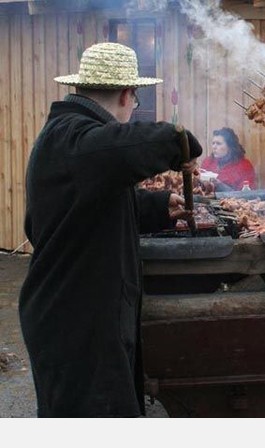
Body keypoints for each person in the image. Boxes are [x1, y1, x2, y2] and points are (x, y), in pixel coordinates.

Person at [18, 42, 203, 417]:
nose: (133, 111)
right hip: (75, 323)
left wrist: (156, 207)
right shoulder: (73, 139)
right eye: (135, 101)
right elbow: (134, 147)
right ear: (127, 94)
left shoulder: (73, 143)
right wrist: (179, 141)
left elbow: (90, 209)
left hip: (77, 314)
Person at [200, 127, 256, 191]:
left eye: (218, 143)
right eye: (213, 143)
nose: (214, 147)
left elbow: (245, 194)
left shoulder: (244, 166)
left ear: (230, 147)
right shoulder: (208, 162)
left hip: (232, 200)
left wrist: (220, 186)